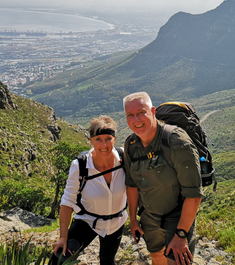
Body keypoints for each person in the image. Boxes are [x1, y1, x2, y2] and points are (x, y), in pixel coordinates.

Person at [122, 92, 203, 265]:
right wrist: (134, 219)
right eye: (130, 115)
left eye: (141, 112)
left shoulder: (176, 142)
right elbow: (132, 184)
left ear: (152, 111)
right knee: (157, 257)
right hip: (149, 217)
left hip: (177, 218)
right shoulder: (130, 145)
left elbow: (194, 195)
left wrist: (181, 235)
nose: (136, 119)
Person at [50, 115, 127, 265]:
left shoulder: (124, 158)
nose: (104, 145)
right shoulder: (80, 166)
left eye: (108, 139)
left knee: (107, 260)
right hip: (87, 220)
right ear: (91, 140)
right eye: (98, 139)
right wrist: (63, 237)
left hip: (116, 222)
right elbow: (67, 202)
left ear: (115, 139)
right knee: (59, 259)